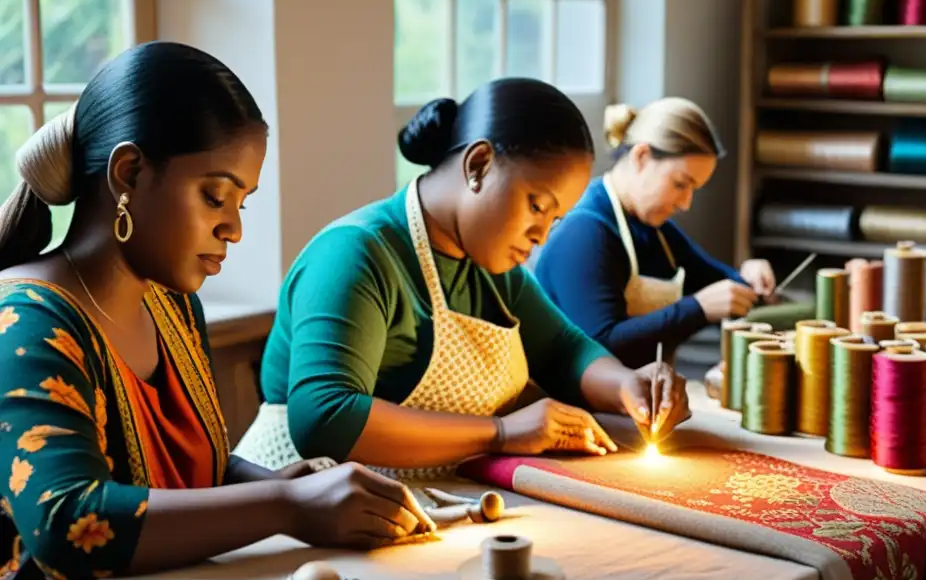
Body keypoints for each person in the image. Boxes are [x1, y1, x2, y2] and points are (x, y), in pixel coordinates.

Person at [0, 42, 433, 580]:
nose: (233, 228)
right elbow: (69, 523)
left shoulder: (173, 307)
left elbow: (182, 472)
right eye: (215, 196)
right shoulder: (26, 320)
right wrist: (285, 506)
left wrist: (279, 483)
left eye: (241, 204)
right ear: (129, 173)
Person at [233, 78, 690, 476]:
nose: (541, 236)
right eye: (536, 206)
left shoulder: (491, 269)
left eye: (555, 221)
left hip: (409, 500)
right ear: (478, 166)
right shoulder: (355, 254)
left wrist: (627, 385)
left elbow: (562, 349)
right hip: (294, 511)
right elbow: (325, 419)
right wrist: (500, 432)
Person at [533, 97, 776, 369]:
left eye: (694, 189)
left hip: (635, 398)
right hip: (567, 404)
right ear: (642, 157)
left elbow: (717, 283)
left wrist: (748, 276)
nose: (686, 203)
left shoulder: (656, 231)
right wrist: (697, 309)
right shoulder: (583, 232)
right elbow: (601, 347)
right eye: (680, 184)